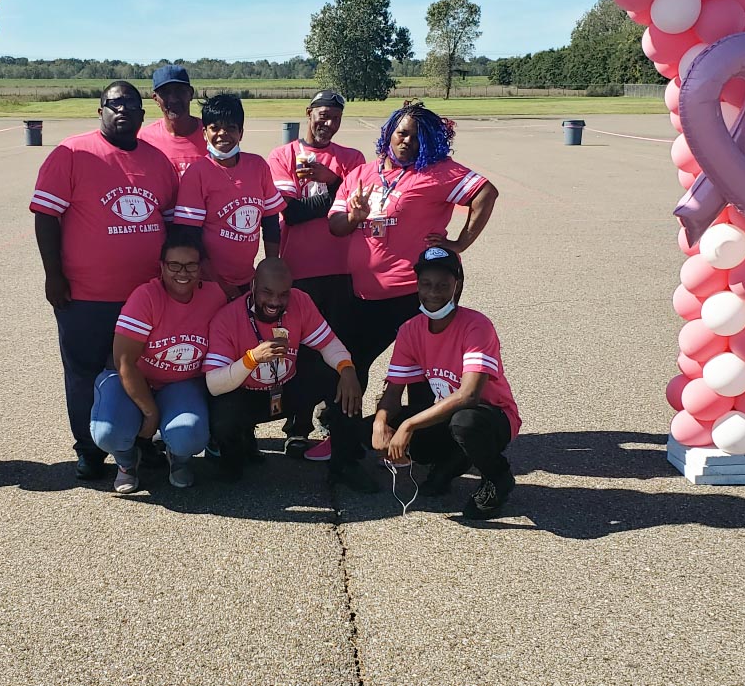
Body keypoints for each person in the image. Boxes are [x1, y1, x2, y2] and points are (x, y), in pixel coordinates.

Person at [323, 102, 500, 459]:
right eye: (402, 133)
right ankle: (345, 453)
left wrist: (460, 242)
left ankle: (424, 452)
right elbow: (335, 225)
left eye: (418, 137)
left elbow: (485, 193)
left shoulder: (437, 172)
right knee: (348, 372)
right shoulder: (362, 173)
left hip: (412, 296)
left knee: (419, 377)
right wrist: (355, 217)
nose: (408, 142)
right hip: (362, 296)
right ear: (388, 133)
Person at [31, 80, 179, 481]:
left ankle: (140, 443)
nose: (123, 110)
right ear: (100, 110)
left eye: (131, 104)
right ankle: (89, 450)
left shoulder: (158, 162)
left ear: (143, 113)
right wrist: (53, 275)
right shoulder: (73, 153)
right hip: (86, 296)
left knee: (143, 371)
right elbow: (46, 216)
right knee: (83, 372)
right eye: (114, 104)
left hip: (145, 297)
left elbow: (168, 226)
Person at [203, 257, 378, 493]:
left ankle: (346, 463)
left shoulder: (300, 302)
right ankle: (234, 452)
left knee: (341, 379)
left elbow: (329, 344)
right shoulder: (227, 318)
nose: (275, 301)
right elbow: (213, 384)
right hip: (246, 396)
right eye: (267, 292)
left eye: (283, 294)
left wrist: (347, 369)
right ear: (253, 286)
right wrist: (251, 359)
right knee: (223, 414)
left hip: (285, 389)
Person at [371, 247, 520, 519]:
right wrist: (381, 423)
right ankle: (450, 463)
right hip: (450, 414)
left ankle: (498, 479)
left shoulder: (477, 326)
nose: (433, 293)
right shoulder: (410, 330)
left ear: (457, 286)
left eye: (443, 285)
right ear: (417, 285)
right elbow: (393, 394)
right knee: (370, 427)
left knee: (465, 423)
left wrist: (409, 425)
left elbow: (469, 396)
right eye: (426, 284)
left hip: (491, 417)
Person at [266, 89, 366, 458]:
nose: (328, 123)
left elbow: (359, 202)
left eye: (336, 118)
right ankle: (297, 426)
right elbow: (290, 212)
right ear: (308, 113)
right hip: (300, 272)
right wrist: (337, 185)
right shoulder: (283, 155)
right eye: (322, 115)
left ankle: (334, 420)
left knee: (340, 351)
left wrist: (331, 177)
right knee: (301, 352)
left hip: (342, 272)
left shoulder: (352, 158)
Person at [90, 232, 226, 493]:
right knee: (108, 433)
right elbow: (125, 361)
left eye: (191, 265)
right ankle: (127, 463)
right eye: (174, 265)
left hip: (181, 382)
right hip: (134, 378)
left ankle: (178, 458)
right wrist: (150, 413)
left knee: (189, 435)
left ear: (201, 267)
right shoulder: (146, 297)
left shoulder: (214, 296)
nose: (182, 272)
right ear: (162, 266)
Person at [174, 94, 286, 300]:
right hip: (208, 282)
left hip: (247, 279)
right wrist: (222, 286)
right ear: (204, 133)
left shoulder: (258, 166)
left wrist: (268, 272)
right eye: (215, 128)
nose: (222, 134)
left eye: (231, 128)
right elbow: (190, 237)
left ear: (241, 133)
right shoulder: (197, 173)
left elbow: (270, 223)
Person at [138, 65, 207, 177]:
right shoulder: (144, 139)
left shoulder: (210, 135)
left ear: (191, 93)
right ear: (155, 98)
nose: (173, 99)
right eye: (165, 92)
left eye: (180, 91)